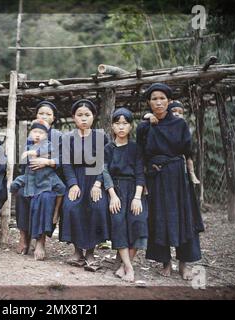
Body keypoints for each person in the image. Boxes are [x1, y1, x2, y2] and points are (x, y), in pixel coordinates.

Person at [137, 83, 204, 280]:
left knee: (184, 217)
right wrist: (145, 180)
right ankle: (166, 262)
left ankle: (184, 263)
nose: (158, 102)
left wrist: (189, 174)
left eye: (162, 98)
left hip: (177, 177)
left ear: (168, 100)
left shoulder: (180, 124)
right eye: (154, 99)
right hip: (156, 177)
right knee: (160, 218)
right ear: (149, 102)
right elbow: (141, 156)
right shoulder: (143, 127)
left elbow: (188, 152)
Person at [60, 99, 110, 270]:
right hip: (76, 178)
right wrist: (72, 184)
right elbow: (66, 164)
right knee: (71, 207)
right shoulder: (68, 138)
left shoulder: (101, 137)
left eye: (87, 115)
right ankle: (77, 251)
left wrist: (98, 184)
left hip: (96, 178)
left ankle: (90, 252)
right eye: (79, 115)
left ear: (93, 117)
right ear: (73, 117)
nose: (83, 119)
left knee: (97, 207)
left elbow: (105, 162)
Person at [103, 107, 148, 282]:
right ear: (112, 126)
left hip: (134, 189)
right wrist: (112, 195)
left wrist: (137, 198)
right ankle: (129, 267)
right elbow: (104, 171)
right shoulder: (108, 148)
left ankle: (124, 265)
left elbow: (139, 173)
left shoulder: (136, 148)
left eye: (125, 123)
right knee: (118, 221)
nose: (121, 127)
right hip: (116, 189)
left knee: (139, 220)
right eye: (117, 123)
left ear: (131, 126)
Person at [11, 119, 66, 260]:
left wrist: (40, 157)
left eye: (41, 133)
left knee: (46, 197)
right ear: (30, 134)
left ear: (46, 135)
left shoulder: (49, 146)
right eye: (34, 132)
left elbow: (55, 157)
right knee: (21, 194)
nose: (37, 135)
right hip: (30, 180)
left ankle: (40, 241)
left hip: (47, 180)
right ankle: (24, 236)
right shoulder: (27, 146)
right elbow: (23, 166)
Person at [143, 101, 200, 184]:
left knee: (189, 156)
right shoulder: (159, 124)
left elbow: (187, 149)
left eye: (180, 113)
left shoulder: (182, 126)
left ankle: (192, 173)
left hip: (178, 162)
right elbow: (146, 116)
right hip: (161, 163)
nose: (177, 114)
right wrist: (151, 116)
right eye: (174, 111)